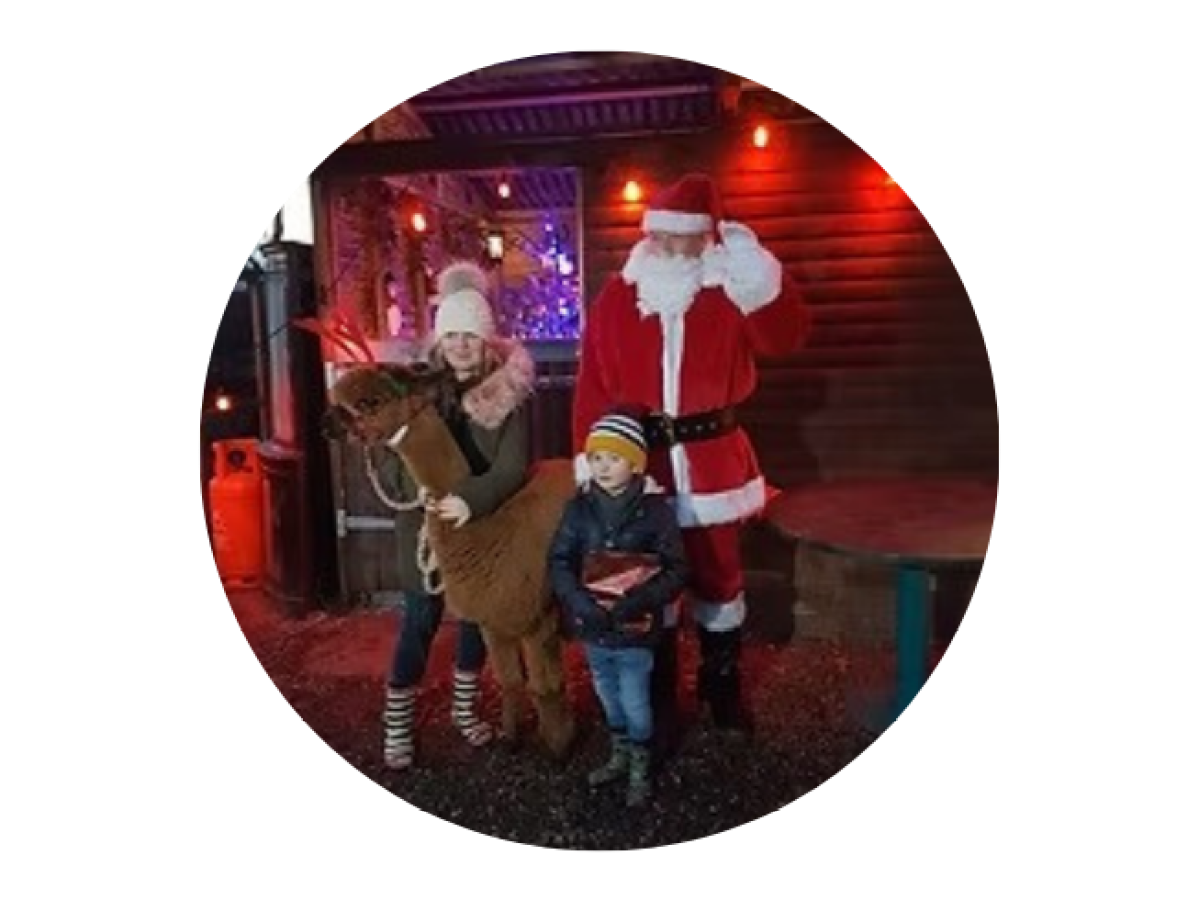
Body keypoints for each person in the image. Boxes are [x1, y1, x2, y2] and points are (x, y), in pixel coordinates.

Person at [571, 172, 813, 741]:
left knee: (719, 579)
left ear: (706, 237)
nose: (671, 247)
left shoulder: (731, 291)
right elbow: (593, 386)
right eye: (663, 236)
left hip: (712, 466)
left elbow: (787, 336)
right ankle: (656, 694)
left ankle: (720, 685)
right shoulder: (618, 298)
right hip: (641, 468)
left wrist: (759, 276)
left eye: (684, 237)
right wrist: (591, 460)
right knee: (644, 580)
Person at [372, 260, 535, 771]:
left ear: (485, 340)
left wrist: (471, 500)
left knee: (473, 621)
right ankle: (398, 723)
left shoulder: (507, 395)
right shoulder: (412, 395)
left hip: (478, 529)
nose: (461, 345)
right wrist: (415, 488)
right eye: (453, 335)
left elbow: (512, 466)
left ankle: (464, 710)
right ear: (439, 340)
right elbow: (387, 455)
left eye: (470, 335)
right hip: (423, 529)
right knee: (420, 619)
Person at [549, 409, 688, 807]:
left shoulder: (655, 512)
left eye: (613, 458)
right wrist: (578, 601)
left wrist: (640, 600)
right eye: (596, 458)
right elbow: (560, 560)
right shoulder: (578, 509)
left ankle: (640, 764)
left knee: (635, 699)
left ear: (635, 463)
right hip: (593, 626)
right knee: (606, 693)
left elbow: (677, 569)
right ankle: (619, 754)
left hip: (634, 628)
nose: (603, 466)